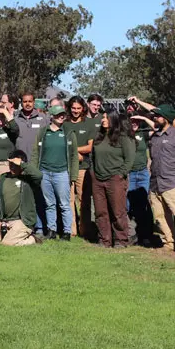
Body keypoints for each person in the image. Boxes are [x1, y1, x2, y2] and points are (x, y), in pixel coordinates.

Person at [135, 101, 175, 254]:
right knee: (160, 216)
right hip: (155, 183)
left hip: (173, 182)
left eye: (158, 115)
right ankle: (168, 242)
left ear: (166, 118)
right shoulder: (155, 137)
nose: (155, 117)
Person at [32, 105, 79, 241]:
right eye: (58, 114)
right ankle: (51, 230)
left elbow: (74, 156)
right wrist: (35, 172)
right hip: (45, 173)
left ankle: (66, 232)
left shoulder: (68, 132)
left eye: (63, 114)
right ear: (51, 116)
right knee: (49, 204)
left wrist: (73, 176)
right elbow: (36, 153)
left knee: (64, 204)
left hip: (62, 173)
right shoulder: (42, 132)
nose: (61, 116)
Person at [90, 112, 136, 248]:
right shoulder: (99, 136)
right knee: (100, 211)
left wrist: (121, 174)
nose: (103, 120)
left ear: (114, 120)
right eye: (103, 117)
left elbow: (129, 159)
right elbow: (92, 157)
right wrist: (92, 172)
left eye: (106, 117)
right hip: (98, 179)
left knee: (118, 211)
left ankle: (121, 240)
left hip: (115, 179)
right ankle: (104, 240)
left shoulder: (123, 137)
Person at [0, 150, 44, 246]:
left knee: (7, 243)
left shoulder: (28, 179)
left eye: (15, 164)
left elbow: (39, 175)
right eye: (10, 163)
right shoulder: (4, 178)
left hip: (23, 221)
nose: (12, 166)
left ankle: (32, 239)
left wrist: (21, 163)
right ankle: (12, 235)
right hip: (6, 221)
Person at [63, 95, 100, 240]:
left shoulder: (88, 124)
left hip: (83, 167)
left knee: (84, 200)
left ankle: (85, 229)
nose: (76, 111)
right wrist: (73, 153)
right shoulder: (64, 124)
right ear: (69, 108)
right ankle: (71, 230)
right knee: (69, 200)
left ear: (83, 108)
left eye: (78, 108)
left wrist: (75, 150)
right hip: (67, 168)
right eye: (73, 108)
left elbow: (91, 146)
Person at [126, 115, 155, 245]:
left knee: (144, 204)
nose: (135, 123)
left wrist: (143, 118)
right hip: (129, 174)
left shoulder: (143, 134)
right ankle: (131, 234)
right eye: (132, 121)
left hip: (143, 173)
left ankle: (145, 235)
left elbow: (157, 127)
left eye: (137, 121)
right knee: (128, 205)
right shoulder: (123, 135)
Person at [13, 92, 49, 160]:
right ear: (21, 103)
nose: (27, 104)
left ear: (34, 102)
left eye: (30, 101)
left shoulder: (43, 119)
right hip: (20, 160)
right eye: (25, 101)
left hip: (38, 160)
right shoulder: (16, 119)